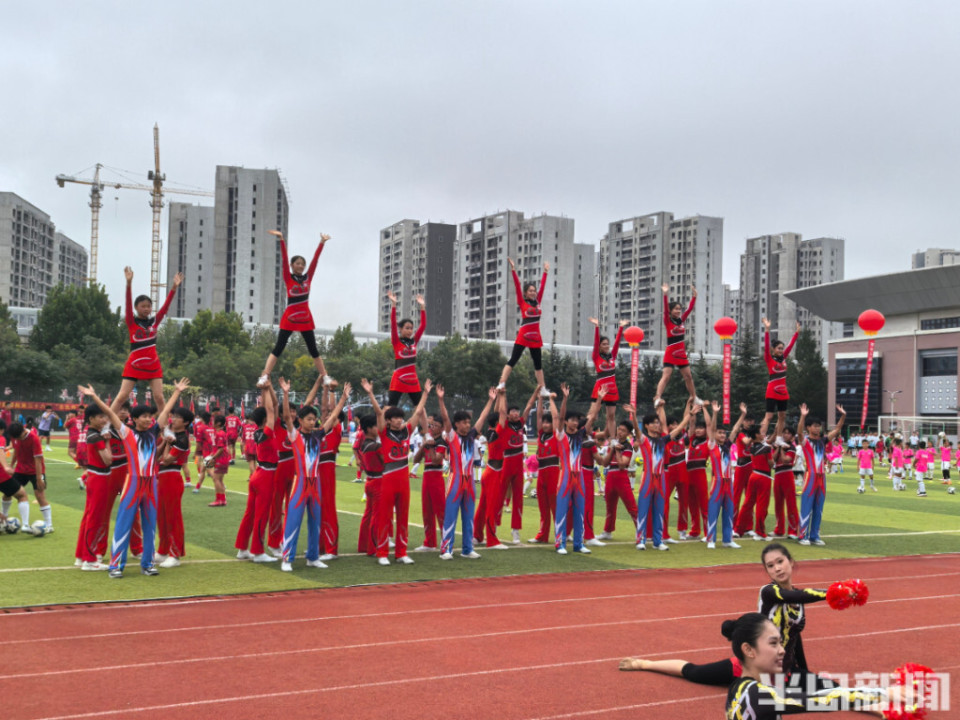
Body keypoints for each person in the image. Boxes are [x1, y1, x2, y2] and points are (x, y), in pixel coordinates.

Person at [79, 381, 184, 578]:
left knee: (150, 525)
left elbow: (166, 411)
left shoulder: (154, 432)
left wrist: (176, 392)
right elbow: (111, 414)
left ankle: (148, 564)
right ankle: (116, 565)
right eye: (144, 417)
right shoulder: (126, 433)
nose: (148, 419)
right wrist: (93, 397)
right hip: (133, 483)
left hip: (151, 483)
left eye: (150, 416)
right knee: (124, 523)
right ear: (134, 419)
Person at [277, 377, 350, 571]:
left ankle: (313, 557)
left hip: (315, 483)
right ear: (300, 420)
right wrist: (285, 393)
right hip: (300, 482)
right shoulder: (294, 435)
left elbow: (333, 417)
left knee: (316, 520)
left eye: (314, 419)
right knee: (293, 519)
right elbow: (286, 417)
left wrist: (343, 398)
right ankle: (287, 558)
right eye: (309, 419)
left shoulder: (318, 435)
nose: (313, 422)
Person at [360, 377, 430, 565]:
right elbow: (377, 412)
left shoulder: (407, 431)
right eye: (395, 418)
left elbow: (417, 411)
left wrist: (425, 394)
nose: (399, 420)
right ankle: (382, 553)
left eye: (400, 417)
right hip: (388, 480)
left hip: (403, 481)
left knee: (403, 517)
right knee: (384, 517)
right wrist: (370, 393)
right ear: (388, 420)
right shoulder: (383, 432)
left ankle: (401, 553)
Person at [258, 231, 330, 385]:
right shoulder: (288, 277)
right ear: (292, 265)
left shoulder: (308, 277)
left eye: (303, 264)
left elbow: (315, 261)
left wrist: (322, 243)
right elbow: (284, 259)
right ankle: (265, 375)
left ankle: (325, 377)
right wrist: (281, 240)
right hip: (290, 317)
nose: (301, 266)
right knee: (279, 347)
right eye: (298, 263)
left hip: (305, 318)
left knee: (313, 349)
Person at [436, 383, 495, 560]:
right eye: (464, 422)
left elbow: (482, 420)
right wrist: (440, 400)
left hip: (469, 482)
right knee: (451, 517)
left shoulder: (471, 437)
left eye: (469, 422)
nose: (467, 425)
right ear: (456, 424)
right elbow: (446, 419)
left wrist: (490, 401)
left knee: (469, 517)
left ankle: (467, 549)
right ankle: (446, 549)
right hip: (455, 481)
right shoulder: (452, 436)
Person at [626, 399, 691, 550]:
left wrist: (689, 414)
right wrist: (634, 416)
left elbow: (680, 427)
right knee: (643, 510)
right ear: (647, 426)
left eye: (658, 422)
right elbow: (636, 427)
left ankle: (658, 541)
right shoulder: (643, 439)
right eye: (653, 423)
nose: (657, 425)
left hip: (661, 479)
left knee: (659, 510)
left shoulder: (663, 440)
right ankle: (640, 540)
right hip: (648, 479)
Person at [114, 266, 183, 409]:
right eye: (142, 306)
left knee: (159, 397)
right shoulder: (131, 322)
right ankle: (106, 424)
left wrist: (174, 288)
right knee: (121, 397)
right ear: (136, 308)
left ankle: (163, 428)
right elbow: (127, 303)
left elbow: (165, 307)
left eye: (149, 306)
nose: (146, 309)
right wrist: (128, 283)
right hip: (134, 364)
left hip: (153, 365)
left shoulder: (154, 322)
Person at [553, 385, 604, 555]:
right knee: (561, 510)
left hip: (579, 476)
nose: (575, 422)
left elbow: (592, 417)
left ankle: (578, 543)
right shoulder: (561, 435)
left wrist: (599, 399)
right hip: (565, 475)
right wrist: (565, 398)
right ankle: (559, 544)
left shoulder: (581, 434)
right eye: (572, 419)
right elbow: (560, 417)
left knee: (580, 510)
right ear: (566, 422)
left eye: (577, 420)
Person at [235, 379, 280, 564]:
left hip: (257, 474)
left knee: (250, 513)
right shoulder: (268, 431)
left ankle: (242, 548)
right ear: (265, 419)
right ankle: (258, 552)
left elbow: (270, 407)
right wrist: (266, 389)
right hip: (266, 476)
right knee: (261, 514)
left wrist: (265, 389)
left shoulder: (257, 431)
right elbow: (271, 409)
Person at [154, 380, 193, 568]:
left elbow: (168, 459)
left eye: (177, 417)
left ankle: (175, 554)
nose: (173, 419)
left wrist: (168, 442)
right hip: (162, 477)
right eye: (174, 416)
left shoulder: (183, 439)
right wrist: (164, 441)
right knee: (161, 515)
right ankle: (162, 550)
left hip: (171, 476)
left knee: (173, 516)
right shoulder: (172, 435)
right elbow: (157, 456)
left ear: (185, 422)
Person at [497, 258, 550, 391]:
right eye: (530, 291)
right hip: (523, 335)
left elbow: (542, 286)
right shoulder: (522, 302)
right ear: (525, 293)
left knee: (538, 364)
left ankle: (542, 388)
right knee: (513, 359)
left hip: (535, 337)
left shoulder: (538, 302)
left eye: (534, 290)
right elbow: (516, 285)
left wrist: (545, 272)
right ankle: (502, 382)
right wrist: (513, 270)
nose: (533, 292)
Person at [797, 403, 846, 546]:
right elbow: (799, 432)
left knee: (819, 507)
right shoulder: (805, 442)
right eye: (814, 426)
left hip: (822, 477)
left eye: (819, 426)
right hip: (810, 477)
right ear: (808, 427)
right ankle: (802, 536)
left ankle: (815, 536)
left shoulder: (823, 441)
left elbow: (837, 429)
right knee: (807, 506)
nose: (817, 428)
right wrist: (802, 416)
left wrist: (843, 415)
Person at [734, 413, 784, 541]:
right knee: (762, 505)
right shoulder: (766, 448)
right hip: (764, 477)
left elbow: (765, 441)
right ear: (756, 435)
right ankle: (760, 532)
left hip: (753, 475)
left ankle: (738, 529)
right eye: (761, 433)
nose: (763, 434)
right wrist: (777, 451)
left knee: (747, 504)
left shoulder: (752, 447)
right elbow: (771, 463)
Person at [499, 386, 539, 544]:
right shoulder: (504, 425)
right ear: (508, 414)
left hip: (518, 465)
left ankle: (515, 531)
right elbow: (501, 411)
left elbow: (529, 406)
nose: (515, 413)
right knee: (499, 497)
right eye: (512, 411)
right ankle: (493, 527)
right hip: (506, 463)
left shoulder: (521, 424)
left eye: (517, 411)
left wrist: (536, 392)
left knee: (518, 500)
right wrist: (503, 394)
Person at [705, 401, 746, 549]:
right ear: (715, 434)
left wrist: (743, 415)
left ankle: (728, 540)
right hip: (717, 482)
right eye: (720, 433)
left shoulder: (728, 446)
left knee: (729, 511)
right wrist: (715, 413)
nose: (722, 435)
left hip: (729, 483)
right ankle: (711, 539)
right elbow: (711, 427)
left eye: (724, 433)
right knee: (713, 511)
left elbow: (735, 429)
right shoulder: (711, 445)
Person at [474, 387, 508, 550]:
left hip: (489, 471)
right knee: (492, 507)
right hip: (494, 473)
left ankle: (477, 535)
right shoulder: (498, 431)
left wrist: (497, 398)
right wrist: (502, 395)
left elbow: (498, 414)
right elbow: (502, 413)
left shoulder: (491, 431)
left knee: (482, 507)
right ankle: (492, 540)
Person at [654, 283, 699, 404]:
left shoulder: (681, 320)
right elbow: (664, 308)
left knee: (688, 376)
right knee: (667, 376)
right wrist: (665, 294)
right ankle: (657, 397)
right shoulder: (668, 321)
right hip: (671, 352)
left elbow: (689, 309)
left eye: (679, 309)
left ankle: (694, 397)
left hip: (681, 353)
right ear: (670, 310)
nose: (678, 311)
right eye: (676, 309)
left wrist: (695, 296)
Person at [529, 387, 563, 544]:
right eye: (545, 422)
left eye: (548, 423)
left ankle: (559, 535)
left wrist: (551, 399)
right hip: (541, 472)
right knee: (543, 507)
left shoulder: (556, 435)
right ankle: (542, 535)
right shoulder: (541, 434)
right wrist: (539, 397)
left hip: (553, 472)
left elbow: (556, 417)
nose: (546, 424)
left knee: (555, 506)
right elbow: (539, 415)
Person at [595, 419, 639, 541]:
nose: (620, 432)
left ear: (628, 434)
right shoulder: (613, 444)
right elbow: (604, 462)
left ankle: (641, 531)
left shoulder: (628, 447)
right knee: (610, 506)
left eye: (623, 431)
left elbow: (622, 465)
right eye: (619, 429)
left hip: (621, 477)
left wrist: (618, 451)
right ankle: (607, 531)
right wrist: (613, 449)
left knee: (631, 506)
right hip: (610, 477)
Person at [411, 411, 448, 552]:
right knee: (427, 511)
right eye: (431, 425)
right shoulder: (429, 439)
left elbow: (436, 460)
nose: (432, 428)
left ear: (442, 428)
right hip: (426, 476)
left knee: (440, 511)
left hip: (436, 476)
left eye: (436, 426)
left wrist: (431, 446)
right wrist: (423, 445)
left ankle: (446, 542)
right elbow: (415, 460)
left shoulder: (441, 442)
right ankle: (429, 542)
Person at [5, 421, 50, 533]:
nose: (18, 440)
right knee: (8, 492)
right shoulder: (14, 436)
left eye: (19, 437)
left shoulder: (34, 439)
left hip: (37, 471)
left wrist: (39, 478)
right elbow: (16, 451)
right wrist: (11, 466)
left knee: (40, 495)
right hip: (21, 470)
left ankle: (49, 525)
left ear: (23, 431)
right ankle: (3, 518)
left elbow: (38, 460)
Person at [386, 291, 427, 407]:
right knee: (391, 406)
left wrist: (422, 306)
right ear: (400, 329)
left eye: (411, 328)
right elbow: (393, 324)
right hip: (398, 379)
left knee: (420, 408)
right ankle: (385, 425)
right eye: (407, 328)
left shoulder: (414, 341)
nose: (410, 331)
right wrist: (394, 304)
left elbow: (423, 325)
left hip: (413, 380)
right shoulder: (396, 341)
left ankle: (424, 426)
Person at [589, 318, 627, 436]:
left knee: (611, 416)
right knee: (593, 415)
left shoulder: (612, 356)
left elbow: (617, 344)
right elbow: (595, 343)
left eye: (607, 344)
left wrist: (621, 327)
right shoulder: (596, 357)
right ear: (599, 346)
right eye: (604, 344)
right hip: (600, 389)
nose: (607, 346)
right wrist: (596, 327)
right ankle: (585, 433)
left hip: (612, 389)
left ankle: (612, 439)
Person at [761, 318, 800, 427]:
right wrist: (767, 329)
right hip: (772, 391)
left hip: (783, 391)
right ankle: (760, 436)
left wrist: (797, 333)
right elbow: (767, 345)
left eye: (782, 348)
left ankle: (778, 437)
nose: (781, 350)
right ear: (773, 349)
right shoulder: (769, 359)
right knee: (768, 417)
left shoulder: (783, 358)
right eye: (779, 348)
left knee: (782, 416)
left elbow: (791, 345)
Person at [0, 426, 32, 535]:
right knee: (22, 494)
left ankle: (3, 518)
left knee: (8, 493)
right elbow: (0, 452)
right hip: (1, 475)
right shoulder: (1, 438)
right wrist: (6, 467)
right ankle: (26, 525)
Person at [772, 425, 800, 539]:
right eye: (784, 432)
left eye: (788, 433)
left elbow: (785, 460)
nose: (785, 435)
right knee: (778, 504)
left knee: (791, 504)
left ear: (792, 437)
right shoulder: (780, 446)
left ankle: (793, 530)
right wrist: (778, 448)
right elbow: (773, 458)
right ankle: (779, 529)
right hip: (778, 475)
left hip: (787, 475)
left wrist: (782, 450)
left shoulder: (792, 448)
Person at [206, 414, 230, 507]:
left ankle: (219, 500)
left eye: (213, 421)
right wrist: (212, 454)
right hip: (223, 459)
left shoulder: (220, 433)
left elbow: (220, 449)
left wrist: (213, 458)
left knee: (216, 479)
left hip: (221, 459)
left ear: (218, 423)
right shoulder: (220, 433)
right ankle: (222, 500)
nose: (212, 422)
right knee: (219, 480)